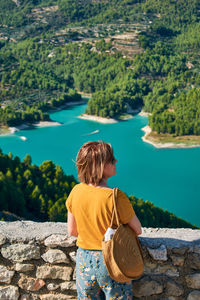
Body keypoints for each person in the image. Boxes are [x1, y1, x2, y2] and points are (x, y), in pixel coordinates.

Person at [66, 141, 142, 300]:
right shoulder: (115, 197)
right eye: (111, 159)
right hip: (111, 260)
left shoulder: (76, 191)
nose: (116, 161)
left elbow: (72, 231)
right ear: (99, 165)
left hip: (84, 261)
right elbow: (137, 229)